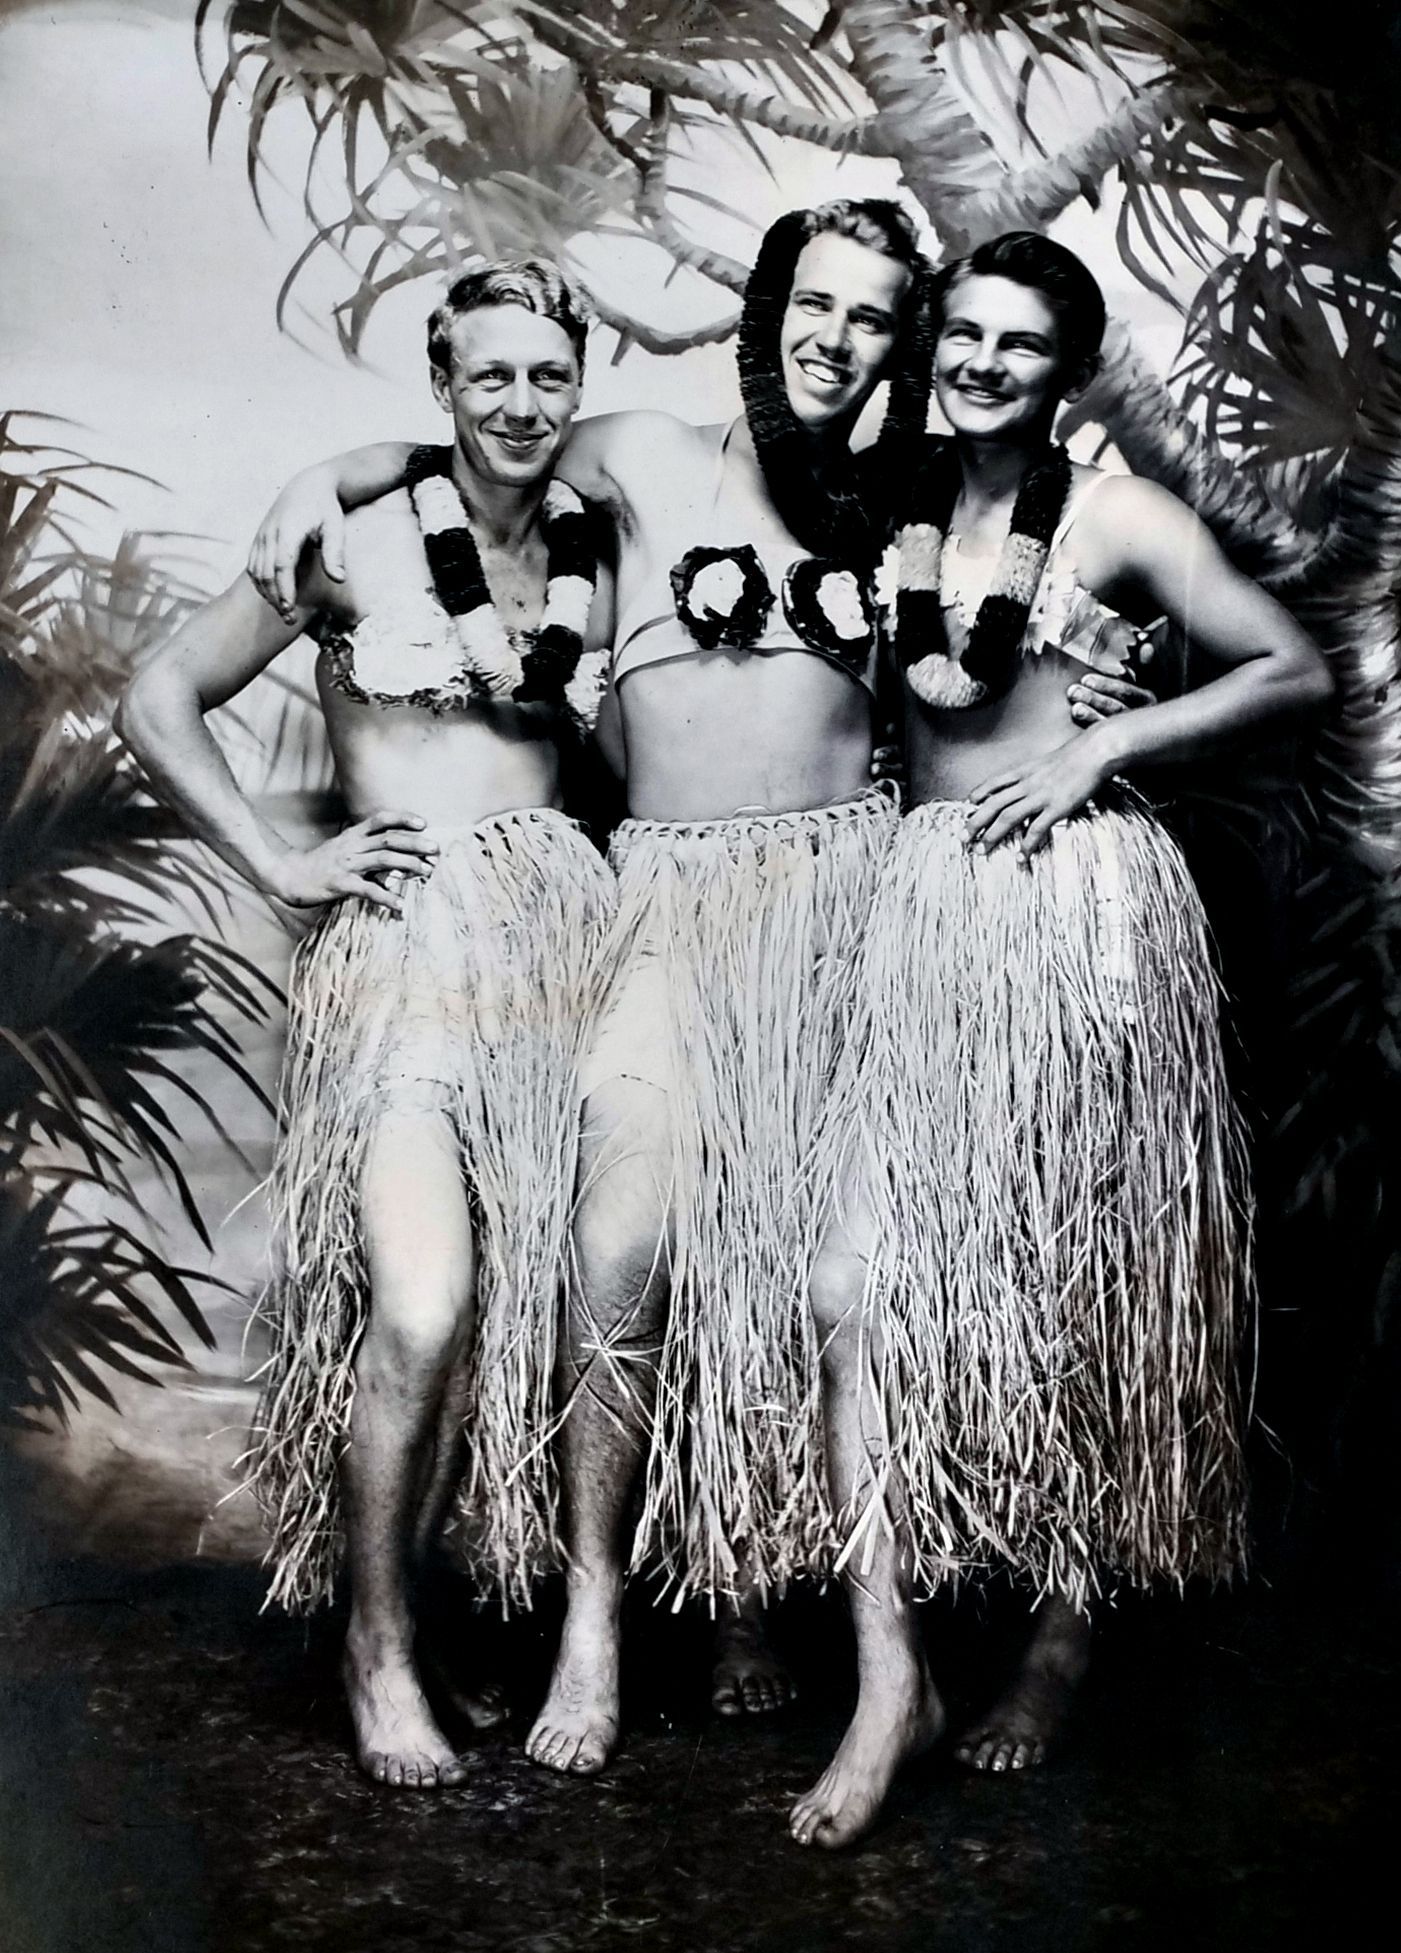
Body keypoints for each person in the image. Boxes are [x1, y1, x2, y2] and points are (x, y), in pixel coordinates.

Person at [248, 203, 1146, 1777]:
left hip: (850, 900)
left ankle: (756, 1597)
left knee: (802, 1267)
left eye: (871, 316)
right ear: (767, 309)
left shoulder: (908, 497)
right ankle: (594, 1617)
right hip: (666, 891)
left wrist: (1106, 707)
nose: (835, 339)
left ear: (903, 340)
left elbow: (1026, 601)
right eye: (813, 304)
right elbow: (483, 450)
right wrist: (324, 473)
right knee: (624, 1247)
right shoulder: (637, 452)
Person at [789, 232, 1334, 1850]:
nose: (978, 362)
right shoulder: (891, 506)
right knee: (851, 1282)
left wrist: (1110, 741)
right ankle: (889, 1674)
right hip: (922, 907)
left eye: (1016, 343)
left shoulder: (1113, 514)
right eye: (958, 332)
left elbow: (1292, 664)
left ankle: (1059, 1634)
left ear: (1065, 368)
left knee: (1080, 1264)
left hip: (1080, 908)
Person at [118, 260, 616, 1791]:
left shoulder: (597, 535)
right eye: (489, 375)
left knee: (509, 1309)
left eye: (547, 374)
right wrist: (278, 862)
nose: (520, 403)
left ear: (577, 382)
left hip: (557, 956)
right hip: (405, 960)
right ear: (441, 382)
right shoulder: (354, 534)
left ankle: (428, 1611)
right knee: (420, 1302)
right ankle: (374, 1641)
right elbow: (157, 697)